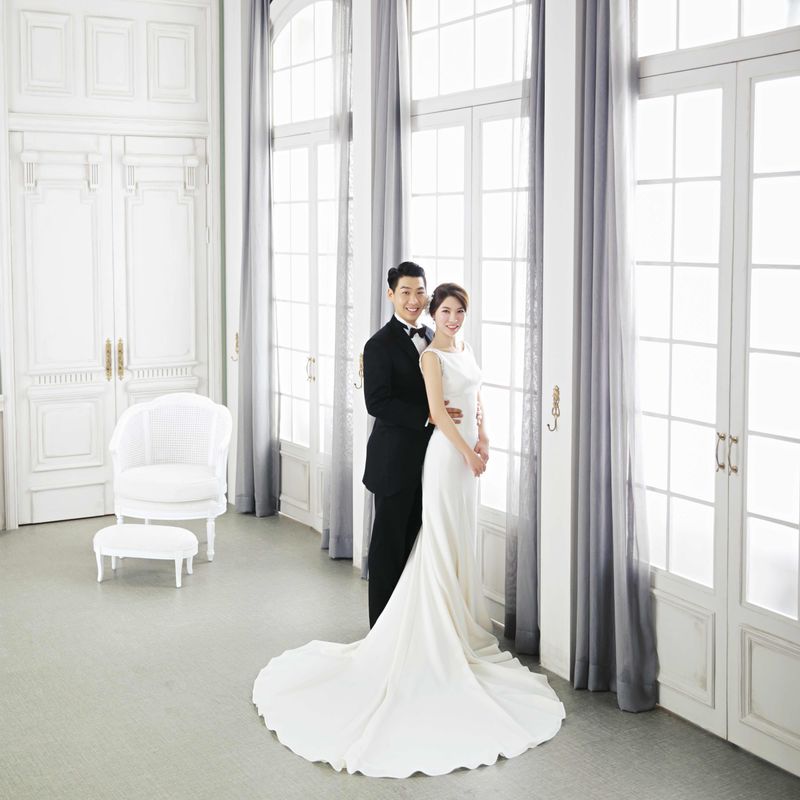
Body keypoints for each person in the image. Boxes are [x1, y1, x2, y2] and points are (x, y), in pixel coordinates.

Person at [252, 282, 565, 778]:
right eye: (445, 309)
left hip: (465, 456)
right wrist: (465, 452)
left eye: (458, 311)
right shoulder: (426, 355)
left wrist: (484, 438)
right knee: (425, 543)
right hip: (444, 457)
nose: (452, 317)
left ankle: (457, 622)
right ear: (409, 301)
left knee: (452, 539)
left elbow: (476, 399)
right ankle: (400, 632)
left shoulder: (461, 345)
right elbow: (432, 411)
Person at [361, 261, 463, 627]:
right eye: (405, 292)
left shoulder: (434, 337)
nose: (414, 300)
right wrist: (429, 415)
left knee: (418, 546)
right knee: (389, 548)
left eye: (420, 292)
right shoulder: (378, 345)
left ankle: (411, 625)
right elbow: (377, 403)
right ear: (391, 294)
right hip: (393, 463)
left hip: (432, 461)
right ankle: (381, 629)